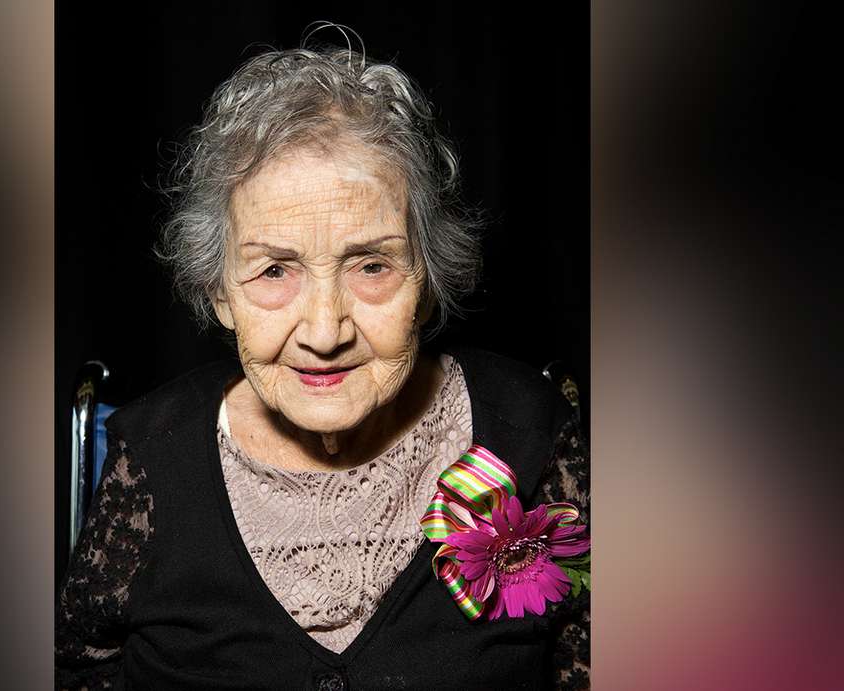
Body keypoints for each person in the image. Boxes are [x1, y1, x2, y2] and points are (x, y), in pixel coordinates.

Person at [56, 28, 590, 690]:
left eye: (372, 264)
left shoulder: (531, 431)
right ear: (219, 290)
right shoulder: (151, 455)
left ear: (428, 278)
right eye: (275, 270)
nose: (323, 329)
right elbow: (82, 666)